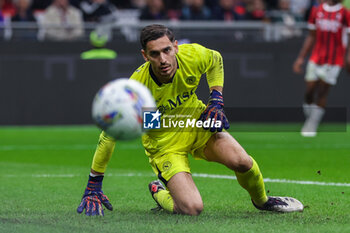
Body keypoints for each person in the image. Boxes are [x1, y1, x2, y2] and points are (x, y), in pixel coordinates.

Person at [77, 24, 304, 216]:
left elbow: (215, 59)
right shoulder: (137, 88)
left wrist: (216, 100)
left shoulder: (191, 55)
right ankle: (159, 191)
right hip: (164, 145)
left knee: (242, 162)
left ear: (175, 46)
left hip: (196, 123)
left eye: (167, 50)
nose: (163, 59)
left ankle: (263, 201)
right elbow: (109, 135)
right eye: (155, 54)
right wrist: (94, 182)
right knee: (191, 208)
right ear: (145, 56)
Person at [293, 0, 350, 137]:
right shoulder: (316, 11)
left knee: (323, 92)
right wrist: (301, 57)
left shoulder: (344, 13)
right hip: (316, 57)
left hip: (334, 60)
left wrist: (348, 56)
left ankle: (312, 124)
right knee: (310, 91)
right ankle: (311, 117)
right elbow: (311, 36)